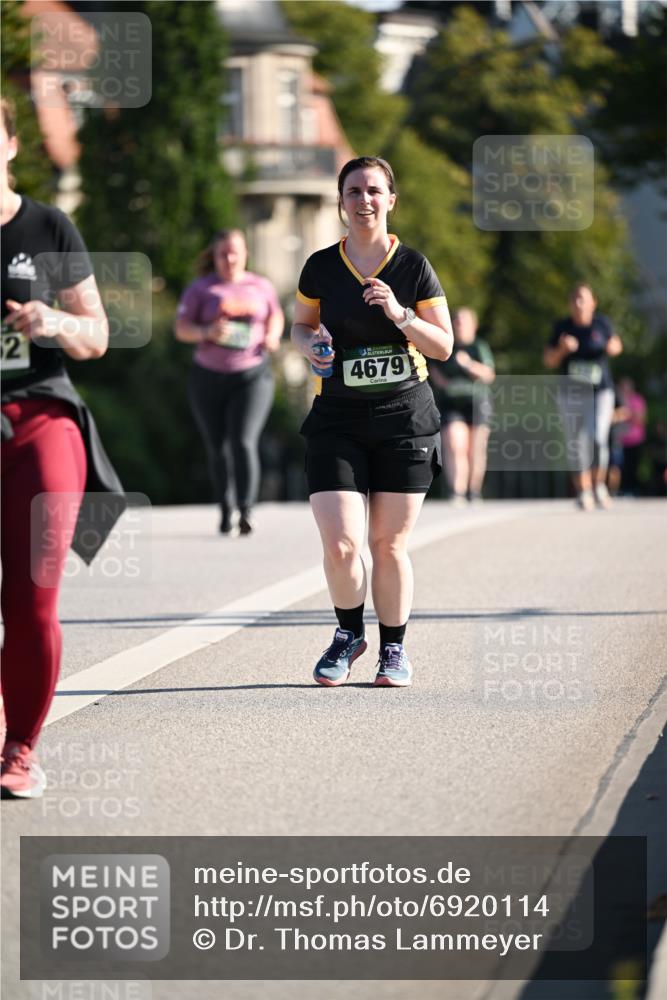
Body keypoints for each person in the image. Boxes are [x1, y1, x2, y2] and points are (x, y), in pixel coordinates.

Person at [1, 98, 125, 798]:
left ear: (11, 145)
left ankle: (20, 749)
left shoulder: (47, 226)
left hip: (40, 421)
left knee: (31, 598)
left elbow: (97, 334)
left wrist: (49, 318)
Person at [291, 156, 453, 688]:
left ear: (390, 200)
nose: (364, 200)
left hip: (404, 420)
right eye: (354, 191)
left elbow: (445, 345)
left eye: (374, 191)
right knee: (340, 544)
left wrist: (401, 316)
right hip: (337, 417)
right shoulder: (319, 266)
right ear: (341, 201)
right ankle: (346, 634)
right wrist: (310, 347)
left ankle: (394, 648)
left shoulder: (413, 266)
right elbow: (300, 325)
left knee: (387, 546)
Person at [175, 230, 284, 535]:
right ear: (214, 256)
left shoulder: (260, 286)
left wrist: (272, 335)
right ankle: (225, 508)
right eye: (223, 253)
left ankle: (246, 510)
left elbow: (275, 316)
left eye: (235, 252)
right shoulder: (201, 288)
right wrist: (206, 332)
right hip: (207, 377)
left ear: (245, 253)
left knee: (243, 441)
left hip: (251, 375)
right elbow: (182, 328)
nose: (230, 259)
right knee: (218, 447)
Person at [544, 282, 622, 511]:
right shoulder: (562, 328)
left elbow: (617, 345)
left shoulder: (602, 324)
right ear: (570, 304)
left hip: (601, 392)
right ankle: (584, 490)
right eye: (575, 299)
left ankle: (599, 485)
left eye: (583, 299)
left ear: (593, 303)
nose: (579, 304)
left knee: (598, 438)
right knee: (576, 443)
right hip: (571, 393)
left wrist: (611, 346)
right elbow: (549, 360)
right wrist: (562, 350)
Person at [429, 307, 495, 503]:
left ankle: (473, 491)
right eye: (456, 321)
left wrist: (468, 365)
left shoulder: (479, 346)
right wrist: (443, 383)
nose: (459, 325)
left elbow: (489, 374)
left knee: (475, 448)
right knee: (454, 444)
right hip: (452, 404)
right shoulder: (447, 345)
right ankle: (457, 491)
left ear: (473, 326)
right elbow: (434, 369)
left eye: (463, 321)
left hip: (478, 403)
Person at [617, 377, 647, 495]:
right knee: (621, 468)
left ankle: (634, 490)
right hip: (620, 440)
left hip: (636, 440)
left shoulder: (637, 400)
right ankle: (623, 490)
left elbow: (641, 419)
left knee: (634, 466)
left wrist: (628, 414)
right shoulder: (618, 399)